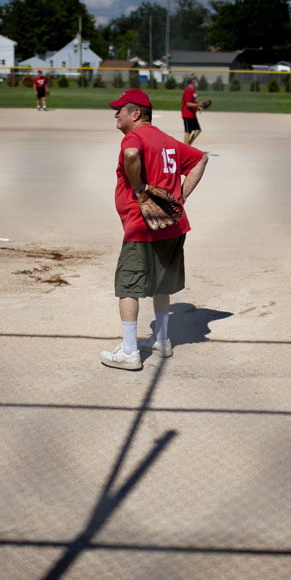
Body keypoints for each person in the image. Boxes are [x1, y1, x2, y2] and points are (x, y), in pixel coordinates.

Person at [101, 88, 208, 370]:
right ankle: (161, 339)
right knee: (161, 284)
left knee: (128, 286)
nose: (116, 114)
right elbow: (200, 159)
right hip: (172, 224)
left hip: (143, 227)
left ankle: (129, 351)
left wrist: (138, 186)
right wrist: (181, 198)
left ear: (136, 113)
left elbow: (131, 154)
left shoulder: (133, 137)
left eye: (120, 110)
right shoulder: (165, 139)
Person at [181, 74, 203, 145]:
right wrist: (198, 105)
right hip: (187, 114)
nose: (197, 81)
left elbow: (193, 102)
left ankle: (188, 145)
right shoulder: (188, 90)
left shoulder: (193, 90)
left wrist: (197, 107)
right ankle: (186, 148)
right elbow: (188, 104)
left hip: (192, 114)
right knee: (188, 132)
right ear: (192, 81)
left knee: (198, 130)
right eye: (196, 79)